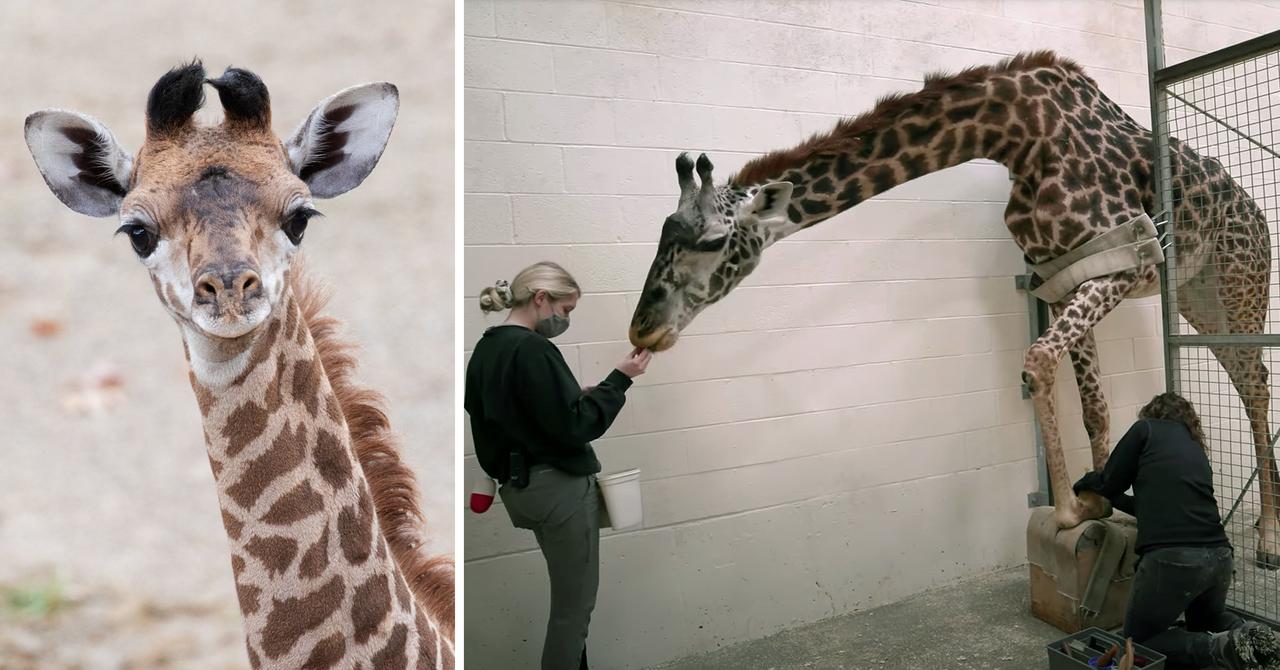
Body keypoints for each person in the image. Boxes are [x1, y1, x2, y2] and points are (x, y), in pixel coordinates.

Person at [465, 261, 652, 670]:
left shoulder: (486, 349)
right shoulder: (533, 348)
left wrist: (576, 394)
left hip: (521, 492)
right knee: (573, 613)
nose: (564, 319)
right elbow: (576, 426)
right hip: (560, 491)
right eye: (565, 310)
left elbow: (508, 417)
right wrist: (621, 378)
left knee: (569, 602)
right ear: (540, 298)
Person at [1073, 392, 1280, 670]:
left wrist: (1088, 482)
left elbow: (1110, 482)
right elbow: (1152, 507)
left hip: (1174, 559)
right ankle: (1254, 635)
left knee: (1138, 640)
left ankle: (1218, 648)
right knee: (1206, 621)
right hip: (1219, 557)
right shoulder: (1195, 447)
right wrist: (1113, 496)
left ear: (1151, 413)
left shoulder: (1144, 429)